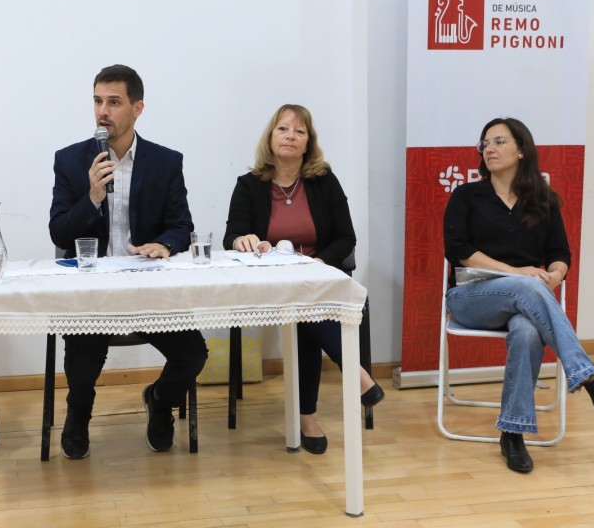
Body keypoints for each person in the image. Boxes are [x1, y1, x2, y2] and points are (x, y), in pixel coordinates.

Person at [443, 117, 594, 474]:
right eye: (485, 143)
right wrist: (520, 273)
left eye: (499, 141)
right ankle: (591, 379)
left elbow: (560, 253)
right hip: (472, 298)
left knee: (527, 331)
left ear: (521, 150)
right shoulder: (466, 195)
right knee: (526, 285)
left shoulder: (543, 200)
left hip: (526, 300)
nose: (489, 148)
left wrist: (555, 275)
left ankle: (513, 432)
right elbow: (458, 250)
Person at [48, 64, 208, 459]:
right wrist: (92, 198)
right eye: (98, 101)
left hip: (146, 286)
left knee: (193, 355)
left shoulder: (165, 162)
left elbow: (181, 224)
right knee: (83, 363)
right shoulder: (71, 161)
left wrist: (165, 245)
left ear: (137, 108)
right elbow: (58, 234)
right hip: (93, 292)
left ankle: (159, 400)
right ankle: (78, 411)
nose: (103, 111)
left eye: (114, 102)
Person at [222, 104, 384, 455]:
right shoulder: (249, 185)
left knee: (307, 309)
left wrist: (319, 263)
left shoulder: (323, 181)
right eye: (283, 129)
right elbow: (231, 236)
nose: (290, 136)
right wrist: (242, 240)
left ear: (308, 142)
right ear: (270, 137)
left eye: (299, 131)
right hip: (271, 284)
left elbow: (346, 237)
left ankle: (308, 417)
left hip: (317, 277)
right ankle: (350, 375)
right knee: (306, 307)